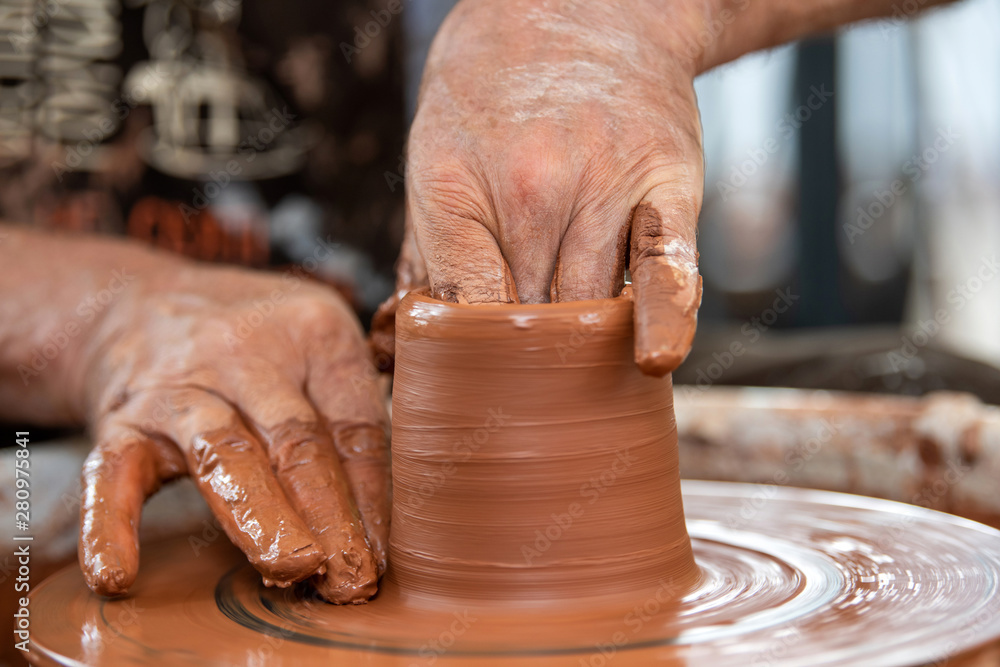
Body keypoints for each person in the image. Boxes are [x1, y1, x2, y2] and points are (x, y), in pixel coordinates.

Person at [0, 0, 952, 602]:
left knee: (942, 390)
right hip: (59, 396)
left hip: (426, 345)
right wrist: (104, 319)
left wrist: (622, 18)